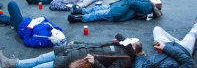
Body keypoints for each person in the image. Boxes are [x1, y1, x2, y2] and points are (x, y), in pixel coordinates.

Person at [0, 33, 139, 68]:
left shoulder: (125, 59)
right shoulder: (119, 45)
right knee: (40, 59)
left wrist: (95, 62)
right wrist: (77, 42)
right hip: (71, 49)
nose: (129, 38)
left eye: (132, 40)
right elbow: (94, 44)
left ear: (133, 47)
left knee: (41, 66)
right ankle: (12, 64)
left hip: (74, 60)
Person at [2, 1, 67, 50]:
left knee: (12, 4)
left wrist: (30, 26)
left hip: (21, 26)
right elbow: (50, 23)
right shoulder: (55, 30)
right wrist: (43, 18)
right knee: (12, 18)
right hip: (28, 20)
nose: (56, 30)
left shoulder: (42, 39)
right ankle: (11, 21)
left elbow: (26, 41)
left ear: (52, 38)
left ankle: (12, 22)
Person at [67, 0, 162, 23]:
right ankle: (79, 11)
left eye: (157, 1)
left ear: (156, 5)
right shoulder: (148, 3)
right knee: (97, 9)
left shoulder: (148, 6)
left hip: (119, 12)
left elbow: (133, 3)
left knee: (97, 14)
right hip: (118, 7)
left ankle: (79, 18)